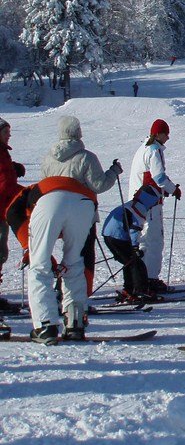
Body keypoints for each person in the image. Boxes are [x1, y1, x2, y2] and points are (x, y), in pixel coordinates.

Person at [29, 116, 121, 343]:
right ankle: (75, 320)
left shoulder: (48, 157)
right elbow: (99, 185)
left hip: (50, 202)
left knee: (39, 263)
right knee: (74, 261)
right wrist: (113, 172)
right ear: (79, 133)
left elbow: (43, 185)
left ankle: (45, 324)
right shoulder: (87, 157)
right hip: (82, 205)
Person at [128, 119, 179, 293]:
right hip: (149, 203)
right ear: (158, 134)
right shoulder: (154, 150)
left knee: (142, 240)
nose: (168, 138)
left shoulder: (142, 148)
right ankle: (151, 278)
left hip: (138, 202)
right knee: (154, 239)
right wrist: (172, 189)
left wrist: (163, 189)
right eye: (166, 134)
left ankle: (140, 279)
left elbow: (149, 177)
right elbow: (159, 177)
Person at [101, 184, 162, 303]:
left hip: (109, 235)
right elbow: (135, 229)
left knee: (128, 262)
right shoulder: (139, 208)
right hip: (117, 236)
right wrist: (135, 247)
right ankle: (141, 291)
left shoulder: (132, 204)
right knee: (136, 264)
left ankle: (129, 290)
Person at [0, 118, 26, 315]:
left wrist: (14, 168)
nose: (9, 135)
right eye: (5, 132)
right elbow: (5, 186)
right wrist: (24, 194)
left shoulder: (3, 153)